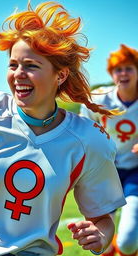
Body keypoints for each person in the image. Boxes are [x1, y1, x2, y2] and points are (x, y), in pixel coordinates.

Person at [0, 2, 126, 256]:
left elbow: (102, 219)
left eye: (31, 66)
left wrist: (100, 236)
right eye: (13, 64)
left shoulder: (88, 141)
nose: (18, 74)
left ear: (59, 76)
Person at [80, 44, 138, 256]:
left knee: (129, 241)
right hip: (105, 172)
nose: (123, 73)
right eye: (118, 69)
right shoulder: (99, 99)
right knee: (99, 245)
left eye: (129, 68)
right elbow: (84, 131)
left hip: (135, 173)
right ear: (111, 74)